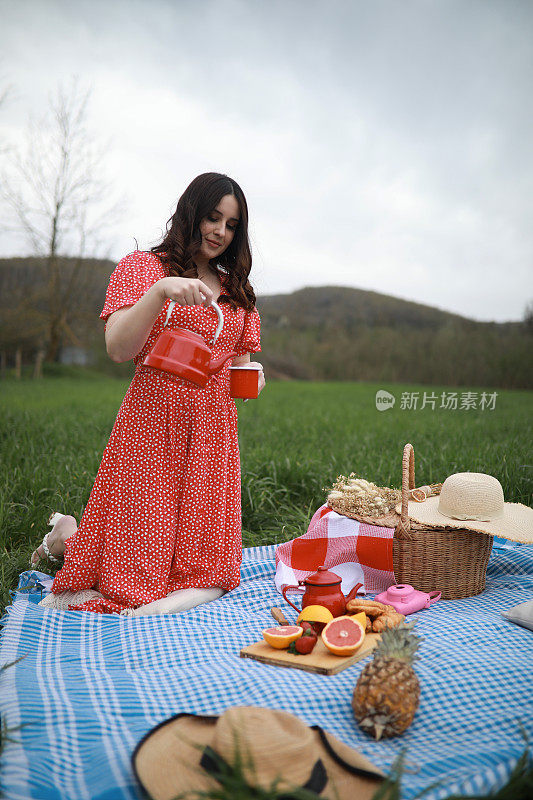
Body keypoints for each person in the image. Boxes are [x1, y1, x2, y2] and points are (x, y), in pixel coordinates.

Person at [31, 172, 265, 614]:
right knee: (132, 569)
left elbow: (239, 372)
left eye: (232, 225)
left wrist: (255, 378)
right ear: (191, 213)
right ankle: (66, 536)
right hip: (153, 423)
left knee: (207, 568)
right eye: (213, 218)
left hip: (212, 434)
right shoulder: (143, 269)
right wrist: (160, 292)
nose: (220, 231)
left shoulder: (238, 293)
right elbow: (119, 348)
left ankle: (73, 536)